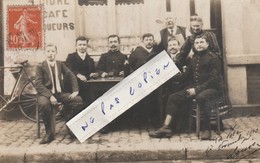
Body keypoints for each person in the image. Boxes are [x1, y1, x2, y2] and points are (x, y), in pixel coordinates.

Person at [149, 35, 223, 140]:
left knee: (201, 97)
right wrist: (165, 75)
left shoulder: (214, 58)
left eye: (201, 42)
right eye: (197, 43)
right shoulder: (195, 58)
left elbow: (214, 80)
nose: (199, 45)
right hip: (195, 88)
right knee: (173, 97)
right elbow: (184, 76)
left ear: (207, 44)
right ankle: (166, 127)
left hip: (212, 89)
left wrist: (196, 90)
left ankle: (206, 129)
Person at [35, 43, 84, 144]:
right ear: (45, 53)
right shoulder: (40, 66)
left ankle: (70, 125)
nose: (50, 54)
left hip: (59, 93)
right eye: (48, 51)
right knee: (44, 104)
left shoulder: (60, 64)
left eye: (53, 51)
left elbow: (70, 75)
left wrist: (75, 90)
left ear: (56, 53)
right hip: (45, 94)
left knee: (78, 101)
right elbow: (38, 84)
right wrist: (50, 96)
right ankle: (49, 134)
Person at [65, 36, 97, 106]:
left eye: (84, 45)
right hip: (73, 86)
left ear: (87, 46)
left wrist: (93, 75)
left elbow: (92, 73)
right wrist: (78, 75)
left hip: (87, 86)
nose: (82, 47)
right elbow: (68, 70)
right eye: (80, 45)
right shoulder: (71, 57)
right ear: (76, 46)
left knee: (93, 95)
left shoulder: (90, 60)